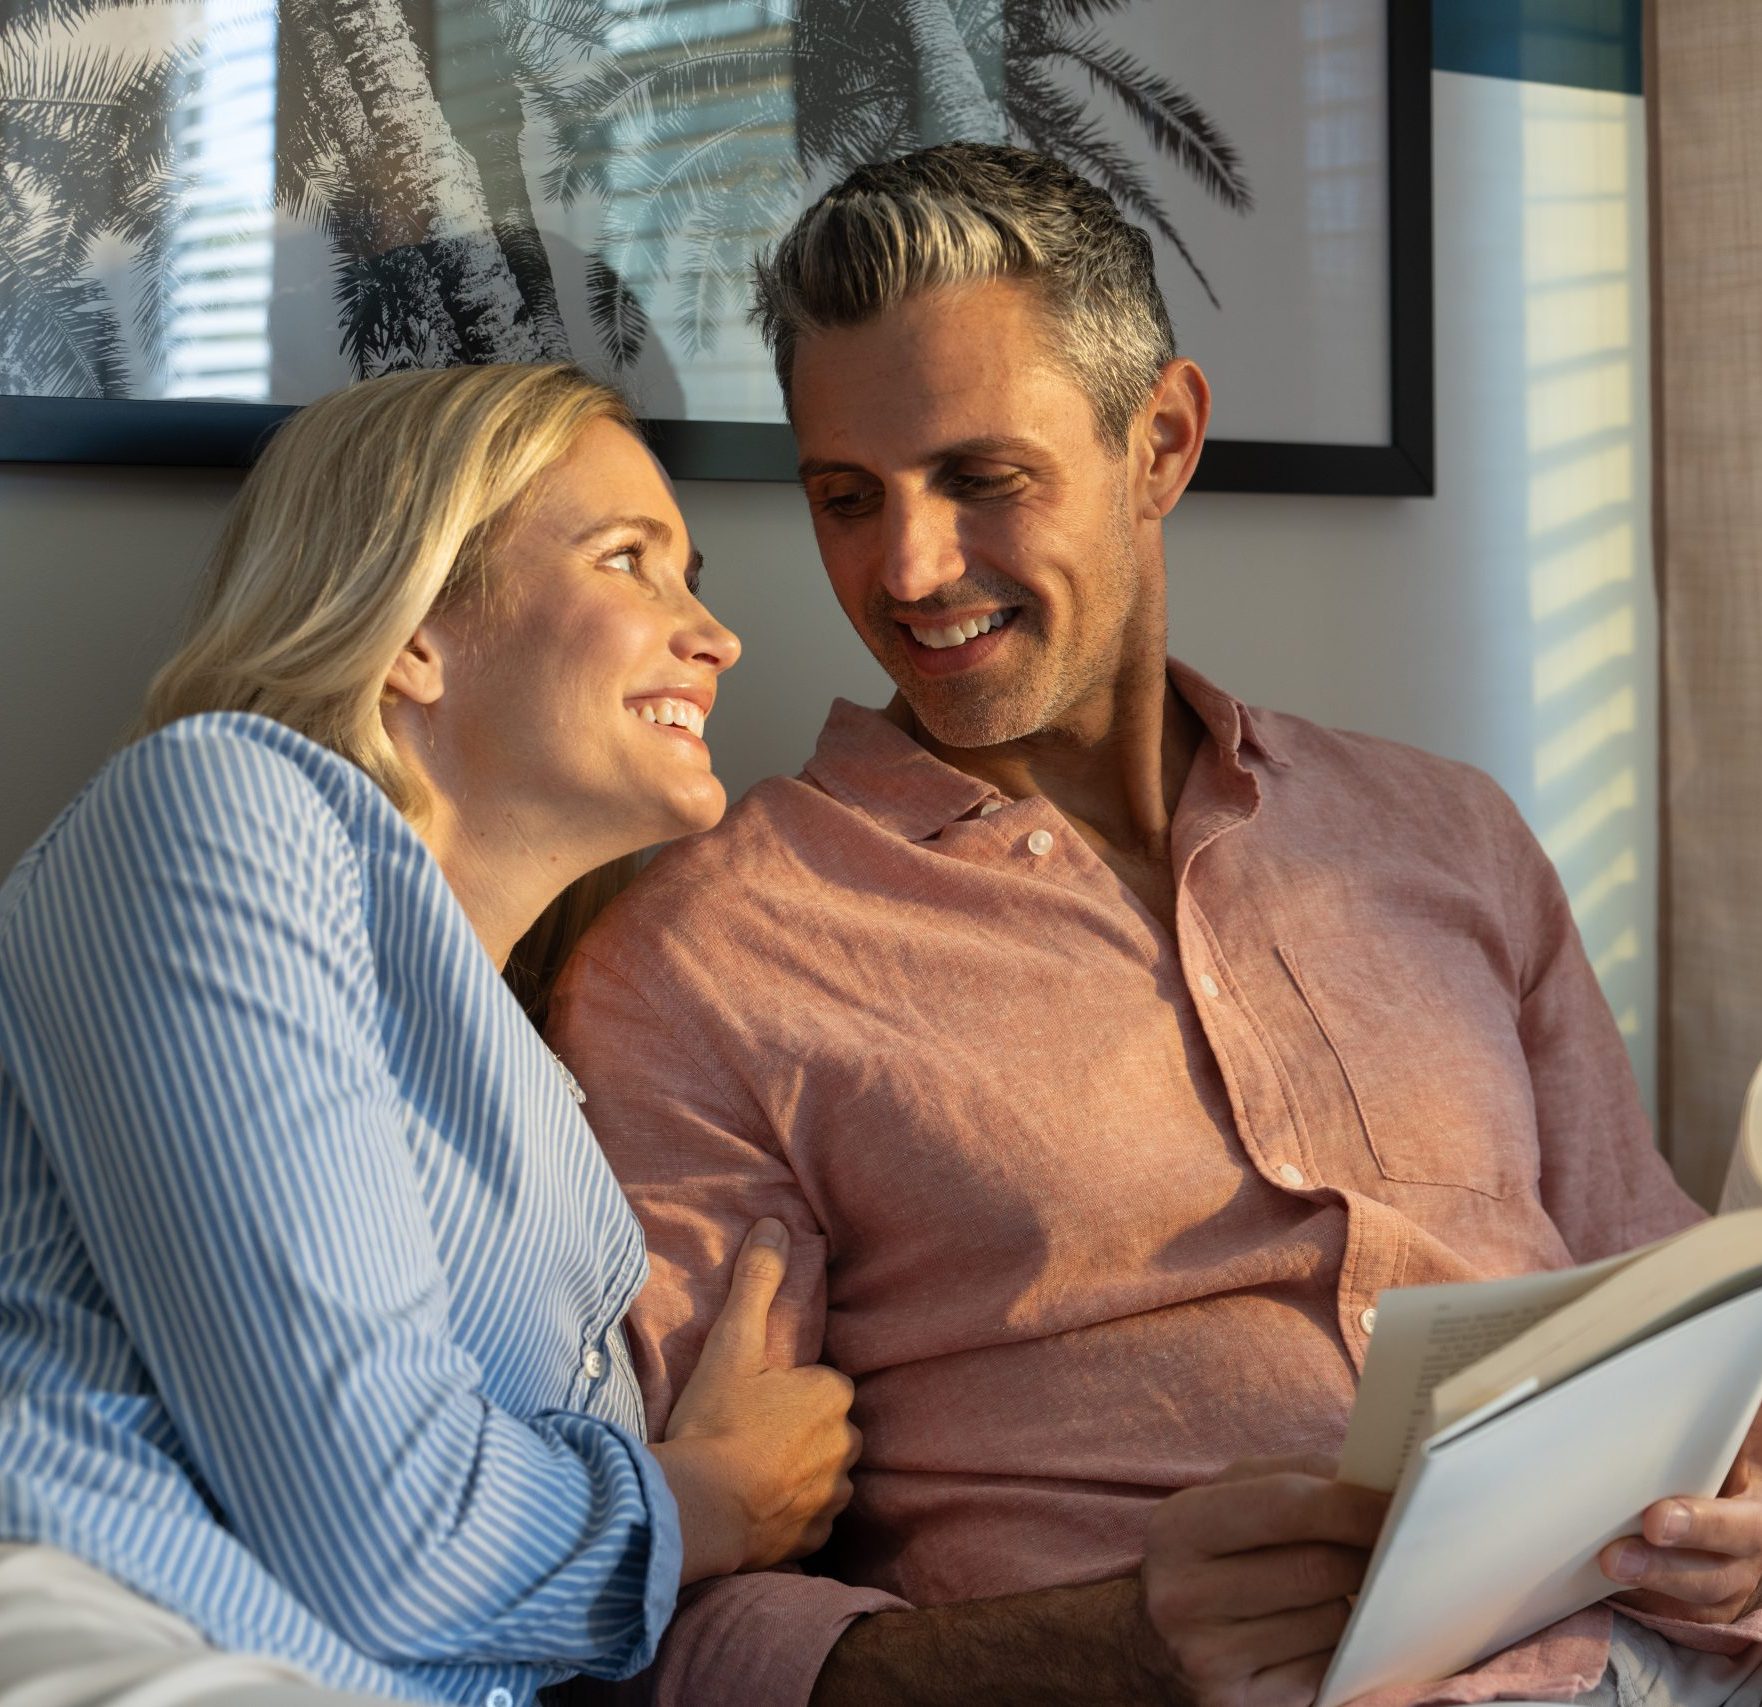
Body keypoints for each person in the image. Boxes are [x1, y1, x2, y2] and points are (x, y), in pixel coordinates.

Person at [547, 145, 1762, 1706]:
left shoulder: (1442, 835)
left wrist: (1738, 1516)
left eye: (982, 480)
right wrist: (1110, 1647)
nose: (907, 571)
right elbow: (672, 1626)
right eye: (846, 498)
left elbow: (1669, 1308)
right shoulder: (705, 961)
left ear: (1161, 441)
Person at [0, 363, 859, 1706]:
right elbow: (388, 1526)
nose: (714, 636)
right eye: (626, 560)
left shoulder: (540, 1090)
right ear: (412, 628)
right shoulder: (223, 806)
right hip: (114, 1632)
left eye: (692, 575)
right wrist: (706, 1500)